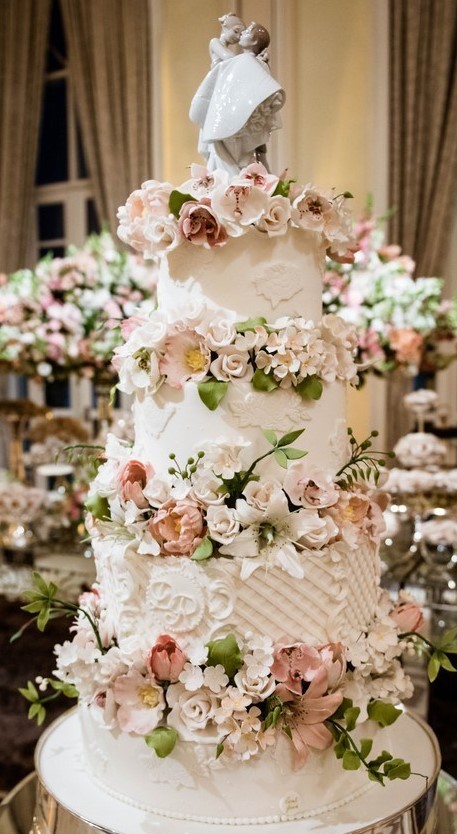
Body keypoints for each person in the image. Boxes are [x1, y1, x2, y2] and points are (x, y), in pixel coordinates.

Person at [189, 19, 285, 175]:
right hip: (224, 106)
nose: (241, 34)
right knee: (220, 148)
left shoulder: (251, 62)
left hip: (240, 113)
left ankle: (238, 179)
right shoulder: (241, 58)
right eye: (237, 31)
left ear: (253, 41)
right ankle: (227, 180)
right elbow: (231, 63)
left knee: (241, 151)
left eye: (244, 32)